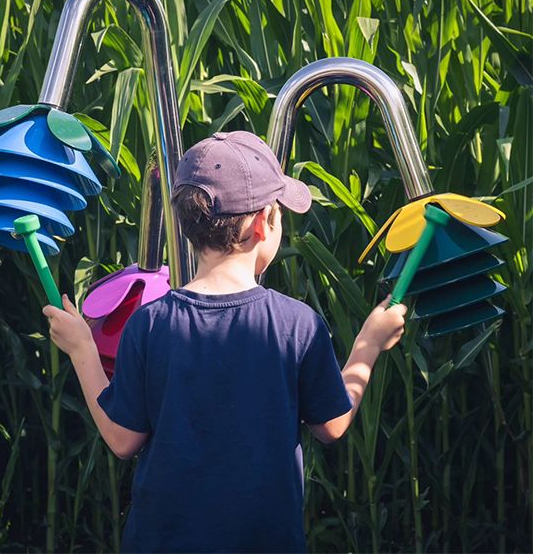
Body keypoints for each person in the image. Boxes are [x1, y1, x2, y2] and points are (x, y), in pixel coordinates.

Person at [43, 131, 407, 553]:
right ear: (262, 222)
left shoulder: (150, 324)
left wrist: (82, 348)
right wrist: (369, 343)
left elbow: (123, 440)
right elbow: (332, 425)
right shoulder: (297, 325)